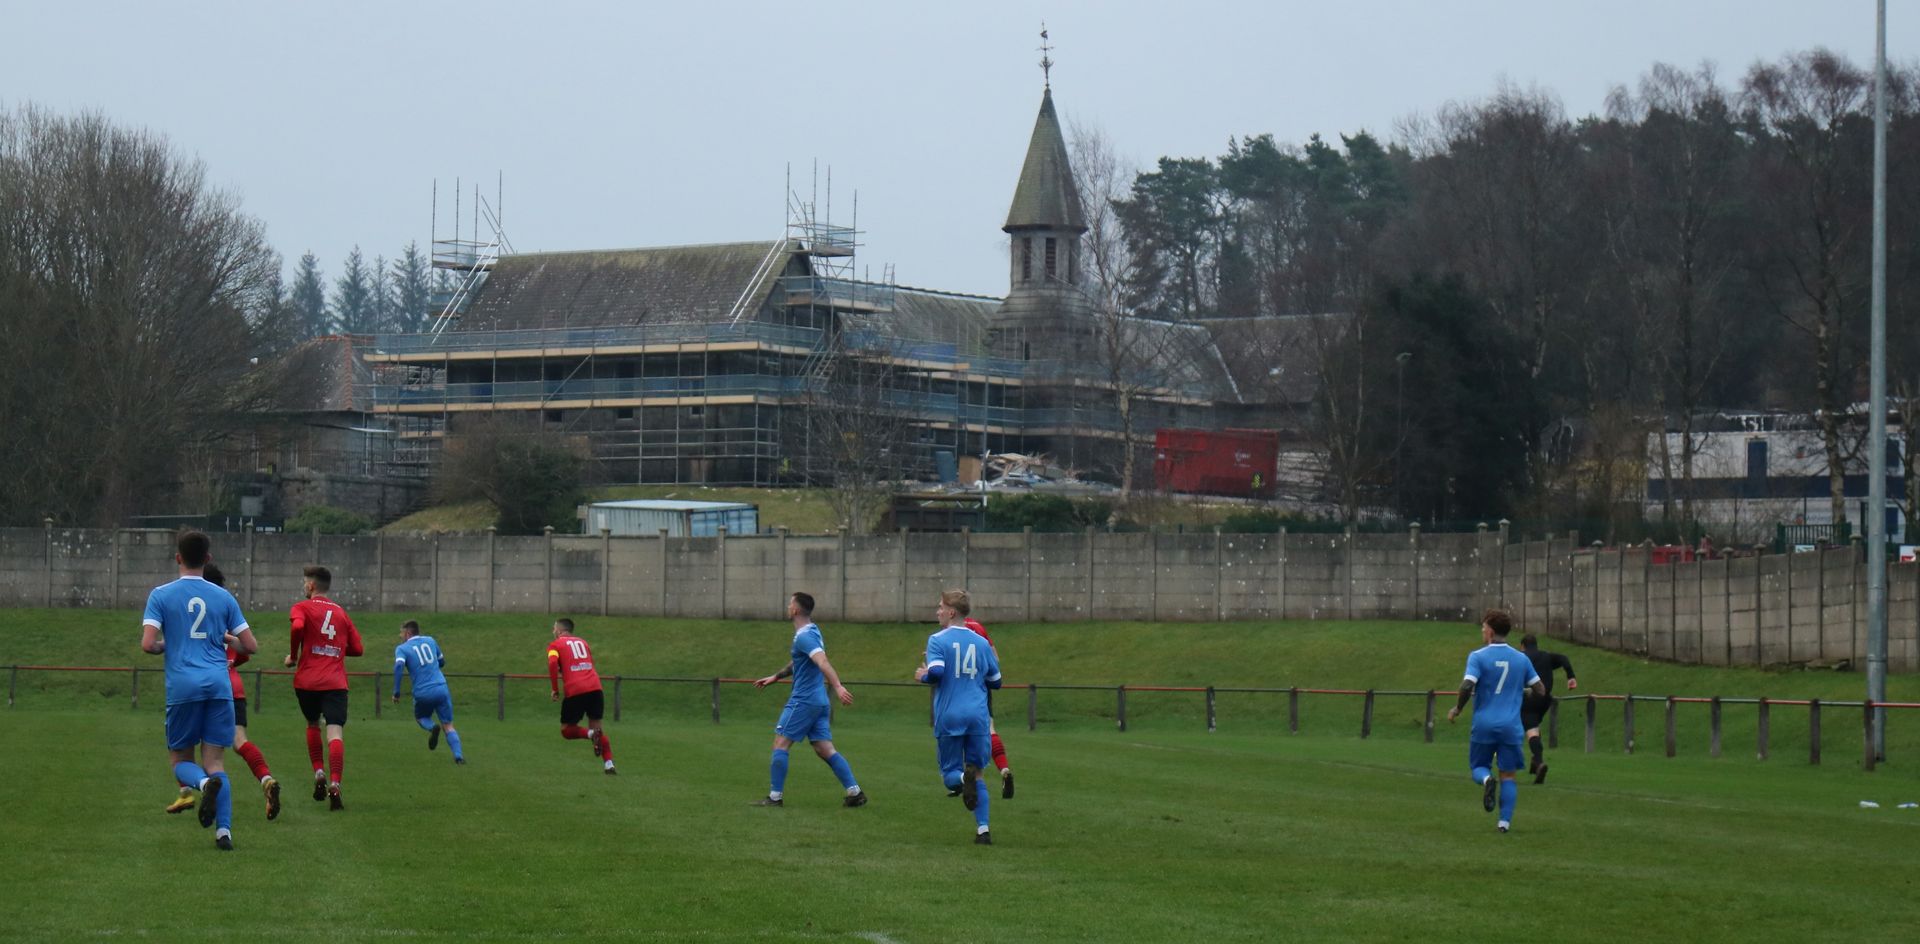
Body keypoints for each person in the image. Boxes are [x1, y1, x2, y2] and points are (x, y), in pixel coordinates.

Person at [141, 531, 257, 851]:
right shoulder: (223, 597)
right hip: (220, 686)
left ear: (178, 557)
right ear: (208, 559)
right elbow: (251, 646)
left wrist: (169, 644)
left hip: (183, 687)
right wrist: (226, 640)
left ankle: (204, 785)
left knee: (180, 761)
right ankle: (224, 833)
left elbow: (148, 644)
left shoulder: (161, 595)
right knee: (216, 762)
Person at [165, 564, 279, 820]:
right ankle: (266, 779)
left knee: (186, 747)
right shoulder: (225, 606)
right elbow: (246, 651)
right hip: (230, 687)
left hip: (202, 686)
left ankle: (195, 790)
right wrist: (230, 662)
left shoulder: (198, 607)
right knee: (239, 742)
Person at [751, 592, 865, 807]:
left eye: (789, 603)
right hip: (819, 701)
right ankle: (854, 792)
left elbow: (822, 662)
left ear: (795, 610)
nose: (787, 606)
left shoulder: (805, 636)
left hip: (804, 700)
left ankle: (775, 798)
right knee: (824, 749)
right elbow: (799, 662)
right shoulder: (811, 631)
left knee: (780, 743)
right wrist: (775, 677)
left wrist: (838, 686)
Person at [1447, 609, 1545, 834]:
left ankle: (1486, 780)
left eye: (1483, 627)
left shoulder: (1478, 656)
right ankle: (1504, 824)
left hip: (1484, 724)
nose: (1482, 631)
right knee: (1509, 775)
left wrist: (1458, 708)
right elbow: (1540, 689)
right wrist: (1521, 690)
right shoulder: (1521, 659)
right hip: (1511, 727)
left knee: (1478, 767)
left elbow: (1467, 685)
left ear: (1490, 631)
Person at [917, 590, 1003, 844]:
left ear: (952, 612)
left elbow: (936, 673)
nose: (938, 611)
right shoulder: (981, 643)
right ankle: (983, 831)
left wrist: (922, 675)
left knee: (951, 775)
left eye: (941, 607)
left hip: (950, 714)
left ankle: (962, 780)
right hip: (978, 715)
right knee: (978, 773)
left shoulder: (937, 640)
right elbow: (996, 682)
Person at [286, 565, 363, 810]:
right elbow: (358, 649)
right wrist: (338, 648)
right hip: (335, 682)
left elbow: (298, 627)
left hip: (307, 680)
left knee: (312, 724)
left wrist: (293, 655)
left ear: (310, 586)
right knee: (335, 733)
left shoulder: (302, 607)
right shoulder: (341, 613)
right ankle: (336, 783)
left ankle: (319, 772)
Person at [953, 593, 1013, 798]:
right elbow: (995, 659)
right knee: (990, 729)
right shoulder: (978, 628)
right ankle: (1004, 769)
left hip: (959, 693)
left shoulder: (952, 630)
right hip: (981, 689)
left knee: (957, 733)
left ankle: (960, 779)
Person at [547, 618, 614, 775]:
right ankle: (609, 764)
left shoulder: (555, 645)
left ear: (559, 630)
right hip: (595, 687)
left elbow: (552, 664)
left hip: (575, 689)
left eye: (553, 628)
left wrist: (555, 689)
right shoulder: (584, 642)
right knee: (597, 726)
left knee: (566, 730)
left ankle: (590, 734)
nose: (552, 631)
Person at [394, 620, 464, 765]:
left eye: (401, 633)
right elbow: (442, 662)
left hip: (423, 691)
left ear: (408, 633)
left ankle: (432, 727)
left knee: (421, 717)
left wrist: (396, 691)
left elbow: (399, 666)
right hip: (441, 687)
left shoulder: (402, 648)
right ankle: (458, 757)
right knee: (448, 725)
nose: (400, 636)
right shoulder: (430, 641)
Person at [1519, 633, 1578, 784]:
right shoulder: (1546, 656)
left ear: (1522, 646)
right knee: (1534, 727)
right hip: (1545, 700)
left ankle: (1538, 762)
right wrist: (1570, 676)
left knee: (1530, 730)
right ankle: (1535, 761)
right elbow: (1563, 658)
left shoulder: (1520, 657)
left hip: (1528, 698)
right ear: (1536, 645)